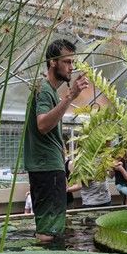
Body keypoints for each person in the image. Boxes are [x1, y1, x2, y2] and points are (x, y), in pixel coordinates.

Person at [24, 38, 88, 243]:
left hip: (52, 167)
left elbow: (53, 134)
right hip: (46, 167)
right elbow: (42, 125)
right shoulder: (43, 89)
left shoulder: (50, 91)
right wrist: (70, 97)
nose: (72, 67)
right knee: (48, 230)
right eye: (67, 62)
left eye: (72, 62)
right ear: (53, 62)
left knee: (53, 225)